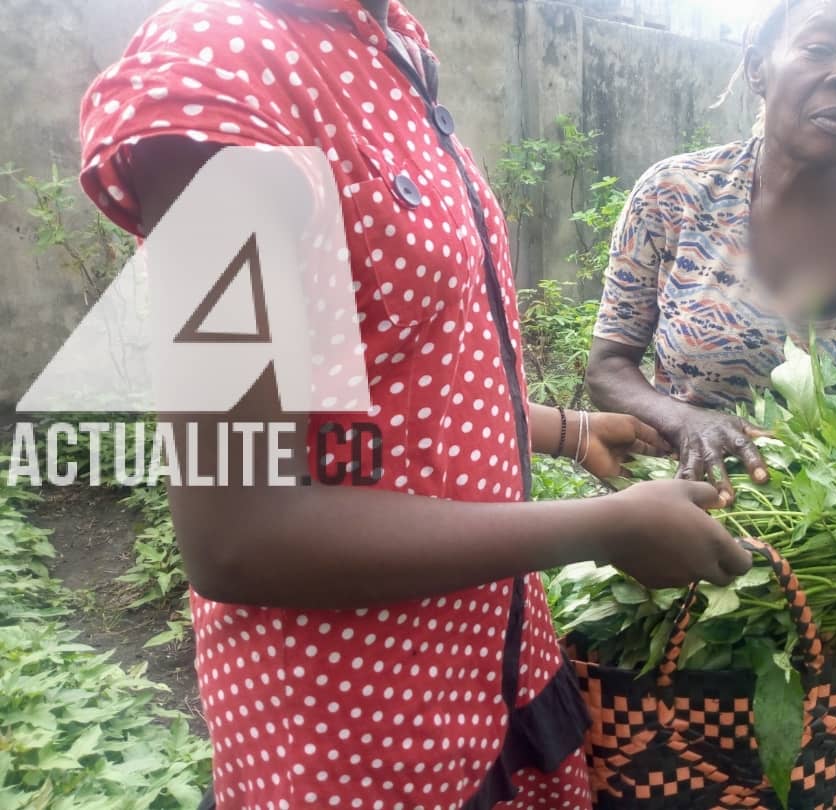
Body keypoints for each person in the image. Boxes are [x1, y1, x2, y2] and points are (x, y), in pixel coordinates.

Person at [77, 1, 755, 808]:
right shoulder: (229, 63)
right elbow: (241, 533)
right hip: (360, 731)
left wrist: (566, 431)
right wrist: (604, 529)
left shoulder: (388, 47)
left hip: (494, 660)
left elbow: (397, 362)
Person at [586, 1, 836, 808]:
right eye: (823, 47)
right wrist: (688, 419)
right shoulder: (678, 193)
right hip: (680, 529)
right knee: (678, 753)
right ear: (760, 63)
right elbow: (609, 367)